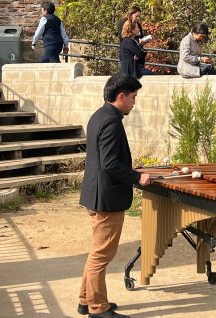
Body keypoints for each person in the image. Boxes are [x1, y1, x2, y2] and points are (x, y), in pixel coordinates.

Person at [78, 74, 150, 318]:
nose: (134, 102)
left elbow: (105, 160)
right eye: (133, 97)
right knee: (102, 255)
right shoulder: (111, 121)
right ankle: (98, 309)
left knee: (97, 251)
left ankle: (85, 301)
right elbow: (109, 163)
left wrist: (131, 170)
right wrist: (136, 178)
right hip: (106, 198)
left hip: (97, 194)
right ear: (121, 96)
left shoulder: (99, 115)